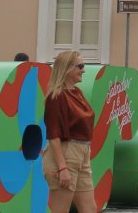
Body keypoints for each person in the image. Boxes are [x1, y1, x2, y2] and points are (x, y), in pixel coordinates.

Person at [45, 51, 95, 213]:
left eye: (83, 66)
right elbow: (53, 135)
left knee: (90, 209)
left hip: (82, 153)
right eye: (80, 66)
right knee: (60, 210)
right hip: (65, 155)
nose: (84, 70)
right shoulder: (56, 96)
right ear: (66, 68)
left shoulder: (77, 93)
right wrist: (62, 168)